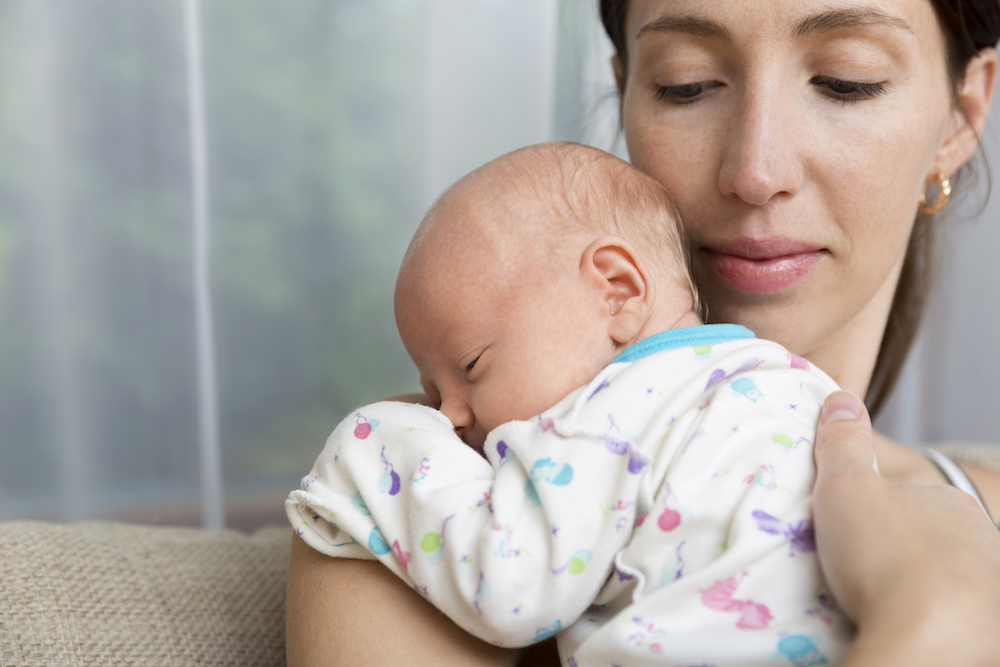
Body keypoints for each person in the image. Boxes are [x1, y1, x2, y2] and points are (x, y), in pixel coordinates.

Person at [285, 0, 1000, 664]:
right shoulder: (424, 490)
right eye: (686, 85)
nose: (755, 172)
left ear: (960, 119)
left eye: (847, 81)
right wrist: (939, 620)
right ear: (626, 97)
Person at [288, 142, 853, 665]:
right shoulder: (802, 389)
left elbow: (513, 590)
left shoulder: (603, 421)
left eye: (472, 365)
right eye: (434, 395)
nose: (448, 418)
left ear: (617, 291)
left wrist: (376, 441)